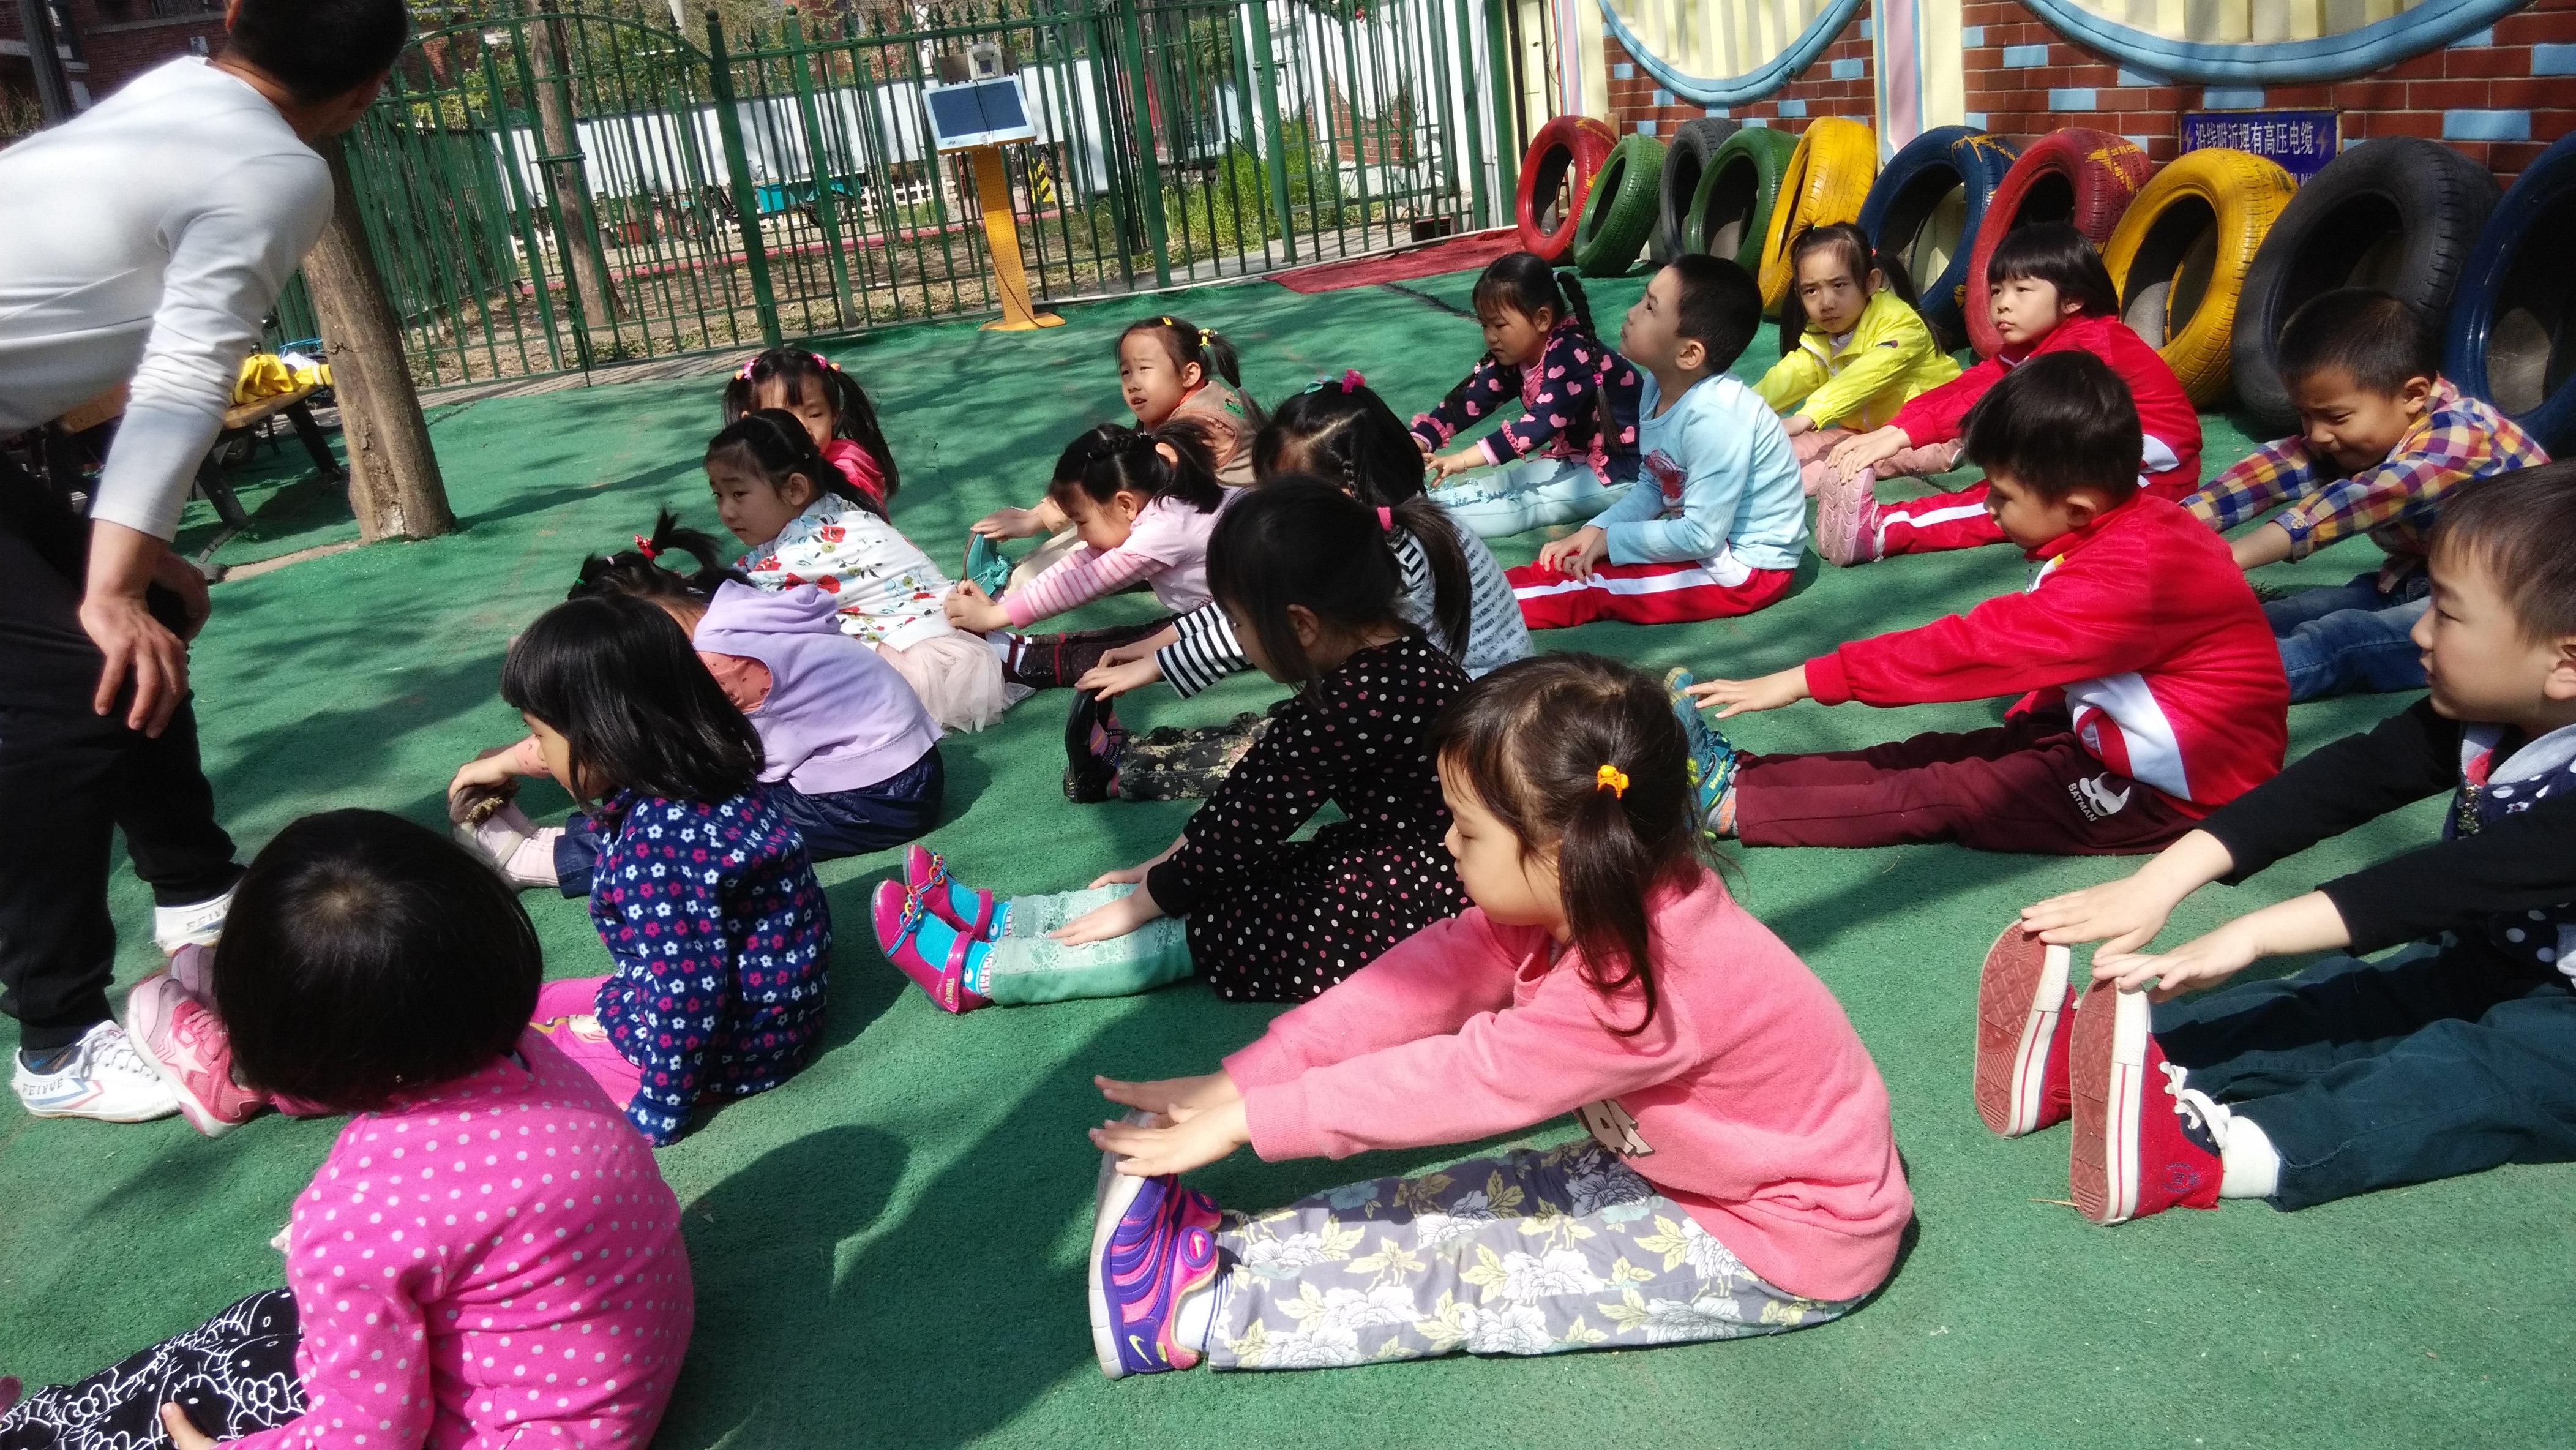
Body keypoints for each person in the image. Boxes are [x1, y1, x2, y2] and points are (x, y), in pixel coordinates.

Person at [1074, 654, 1911, 1377]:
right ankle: (1240, 1247)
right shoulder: (1590, 891)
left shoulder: (1642, 985)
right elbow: (1410, 989)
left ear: (1561, 851)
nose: (1446, 844)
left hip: (1785, 1237)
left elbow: (1462, 1080)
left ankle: (1196, 1313)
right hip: (1704, 1170)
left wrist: (1251, 1121)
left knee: (1486, 1274)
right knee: (1478, 1195)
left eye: (1466, 831)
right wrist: (1240, 1084)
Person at [0, 0, 408, 1124]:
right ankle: (57, 1041)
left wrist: (133, 569)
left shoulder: (174, 95)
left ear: (230, 17)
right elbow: (187, 375)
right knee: (71, 689)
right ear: (365, 95)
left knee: (149, 610)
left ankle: (192, 888)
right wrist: (107, 586)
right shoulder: (278, 167)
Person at [1990, 463, 2576, 1225]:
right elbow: (2347, 778)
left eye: (2448, 613)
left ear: (2564, 662)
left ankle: (2216, 1152)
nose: (2420, 631)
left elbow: (2456, 880)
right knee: (2350, 999)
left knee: (2475, 1073)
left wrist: (2251, 934)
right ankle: (2109, 1056)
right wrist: (2159, 882)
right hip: (2493, 950)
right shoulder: (2489, 710)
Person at [8, 810, 692, 1448]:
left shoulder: (357, 1214)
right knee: (259, 1322)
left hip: (509, 1431)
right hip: (599, 1382)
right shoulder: (530, 1054)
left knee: (200, 1394)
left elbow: (370, 1435)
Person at [872, 481, 1470, 1012]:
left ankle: (984, 971)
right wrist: (1168, 861)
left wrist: (1146, 901)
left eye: (1237, 622)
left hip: (1432, 906)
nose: (1236, 637)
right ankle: (1002, 920)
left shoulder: (1359, 701)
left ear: (1300, 625)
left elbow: (1252, 820)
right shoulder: (1378, 666)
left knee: (1228, 917)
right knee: (1225, 876)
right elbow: (1259, 779)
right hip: (1406, 864)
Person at [1679, 351, 2286, 854]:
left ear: (2077, 508)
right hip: (2120, 733)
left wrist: (1805, 679)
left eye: (1999, 495)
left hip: (2179, 790)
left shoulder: (2132, 576)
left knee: (1952, 791)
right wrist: (2031, 721)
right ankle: (1745, 775)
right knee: (1934, 754)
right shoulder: (2126, 525)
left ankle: (1735, 804)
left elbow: (1972, 649)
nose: (1988, 508)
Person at [1060, 373, 1529, 803]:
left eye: (1283, 496)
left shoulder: (1393, 553)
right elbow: (1251, 603)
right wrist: (1156, 642)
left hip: (1468, 733)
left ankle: (1124, 774)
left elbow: (1268, 624)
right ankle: (1143, 753)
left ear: (1337, 497)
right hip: (1439, 706)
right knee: (1291, 726)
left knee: (1284, 755)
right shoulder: (1386, 524)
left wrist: (1157, 665)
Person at [479, 594, 831, 1146]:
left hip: (732, 1049)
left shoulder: (659, 846)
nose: (540, 755)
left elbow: (688, 991)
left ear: (605, 730)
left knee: (508, 1057)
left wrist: (661, 1106)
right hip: (776, 1013)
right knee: (526, 1002)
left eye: (541, 736)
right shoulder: (708, 773)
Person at [449, 511, 944, 891]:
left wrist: (514, 759)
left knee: (686, 827)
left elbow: (627, 746)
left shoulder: (716, 662)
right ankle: (575, 837)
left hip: (869, 799)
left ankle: (544, 859)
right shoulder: (725, 607)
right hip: (900, 767)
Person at [2182, 288, 2549, 702]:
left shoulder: (2461, 438)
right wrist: (2176, 524)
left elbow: (2363, 498)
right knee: (2285, 614)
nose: (2317, 434)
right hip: (2418, 578)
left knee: (2340, 640)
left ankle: (2194, 686)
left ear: (2413, 394)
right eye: (2305, 414)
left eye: (2335, 417)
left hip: (2505, 611)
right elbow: (2275, 469)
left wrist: (2230, 557)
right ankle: (2168, 648)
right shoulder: (2372, 423)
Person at [1811, 223, 2201, 566]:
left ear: (2072, 299)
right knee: (2007, 490)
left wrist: (1900, 438)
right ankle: (1881, 523)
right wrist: (1893, 429)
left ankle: (1882, 531)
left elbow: (1989, 398)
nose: (2003, 305)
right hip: (2086, 455)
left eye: (2022, 290)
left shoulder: (2090, 344)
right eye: (1997, 290)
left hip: (2147, 476)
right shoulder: (2038, 341)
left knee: (2012, 506)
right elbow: (1969, 385)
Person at [1509, 255, 1807, 629]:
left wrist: (1610, 541)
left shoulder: (1716, 419)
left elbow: (1701, 536)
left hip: (1745, 569)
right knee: (1575, 561)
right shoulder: (1656, 386)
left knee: (1592, 586)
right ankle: (1471, 589)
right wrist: (1595, 531)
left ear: (1688, 354)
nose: (1632, 313)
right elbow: (1654, 484)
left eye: (1650, 307)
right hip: (1707, 541)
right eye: (1643, 299)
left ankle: (1473, 613)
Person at [712, 410, 1016, 731]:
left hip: (929, 660)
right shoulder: (825, 511)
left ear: (796, 489)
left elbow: (736, 599)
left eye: (738, 494)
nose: (726, 511)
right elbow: (747, 571)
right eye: (718, 495)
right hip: (932, 635)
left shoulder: (812, 543)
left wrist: (684, 596)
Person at [966, 315, 1261, 591]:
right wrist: (1039, 514)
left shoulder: (1198, 427)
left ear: (1189, 374)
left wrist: (1038, 519)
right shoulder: (1195, 400)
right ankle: (1017, 577)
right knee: (1099, 522)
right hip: (1220, 526)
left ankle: (1010, 588)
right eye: (1125, 372)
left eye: (1144, 369)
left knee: (1104, 528)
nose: (1133, 383)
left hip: (1233, 546)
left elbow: (1125, 478)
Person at [943, 424, 1235, 692]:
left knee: (1140, 646)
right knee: (1151, 639)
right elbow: (1081, 564)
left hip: (1247, 619)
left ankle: (1028, 662)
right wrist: (1004, 605)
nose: (1080, 535)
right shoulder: (1164, 496)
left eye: (1081, 522)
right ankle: (1026, 654)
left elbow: (1083, 584)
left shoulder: (1162, 531)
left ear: (1125, 504)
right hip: (1230, 606)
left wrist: (994, 617)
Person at [1410, 252, 1643, 538]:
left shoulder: (1572, 353)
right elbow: (1470, 402)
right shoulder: (1517, 356)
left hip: (1626, 468)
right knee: (1506, 482)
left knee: (1532, 503)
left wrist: (1461, 460)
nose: (1490, 336)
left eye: (1499, 325)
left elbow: (1539, 425)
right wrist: (1419, 440)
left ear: (1542, 319)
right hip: (1578, 456)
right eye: (1485, 325)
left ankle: (1427, 526)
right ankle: (1415, 509)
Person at [1751, 222, 1960, 496]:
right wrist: (1743, 411)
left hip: (1924, 434)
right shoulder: (1823, 337)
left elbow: (1865, 375)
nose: (1826, 302)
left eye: (1839, 285)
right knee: (1774, 447)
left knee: (1824, 467)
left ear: (1871, 283)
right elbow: (1789, 376)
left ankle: (1756, 493)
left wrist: (1808, 416)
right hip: (1860, 432)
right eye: (1811, 291)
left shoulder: (1902, 326)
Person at [721, 346, 902, 509]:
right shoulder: (760, 469)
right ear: (752, 423)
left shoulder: (846, 475)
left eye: (815, 415)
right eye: (785, 418)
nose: (803, 428)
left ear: (834, 414)